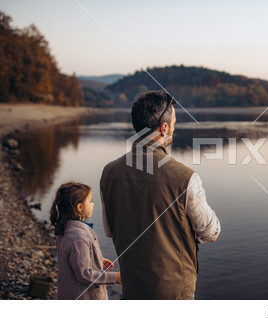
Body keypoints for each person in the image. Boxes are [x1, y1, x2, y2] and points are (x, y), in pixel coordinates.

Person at [100, 90, 220, 300]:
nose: (173, 129)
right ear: (164, 128)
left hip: (132, 288)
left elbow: (110, 231)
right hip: (174, 295)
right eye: (173, 124)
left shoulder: (109, 172)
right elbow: (211, 233)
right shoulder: (185, 178)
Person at [49, 182, 121, 300]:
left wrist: (97, 260)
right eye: (90, 201)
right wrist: (115, 277)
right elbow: (84, 274)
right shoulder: (78, 237)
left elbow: (72, 259)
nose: (93, 204)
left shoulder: (65, 228)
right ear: (80, 207)